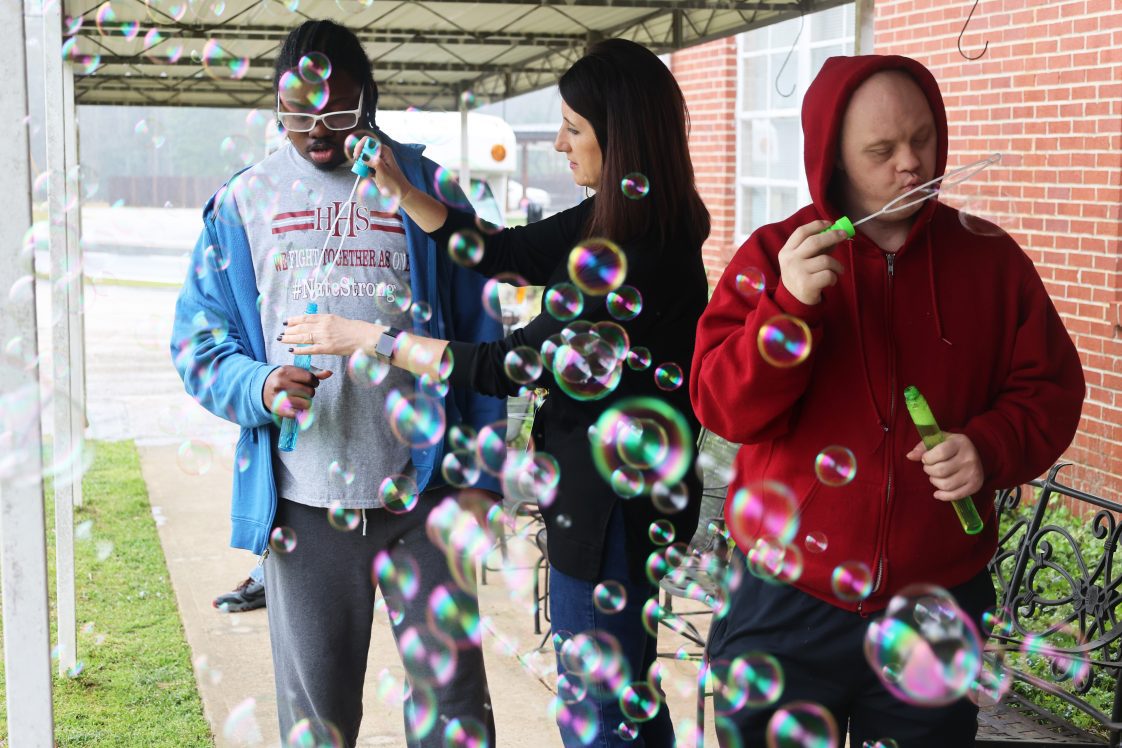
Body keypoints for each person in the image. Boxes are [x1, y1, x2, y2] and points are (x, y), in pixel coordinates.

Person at [280, 38, 711, 747]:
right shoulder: (623, 216)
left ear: (621, 135)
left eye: (574, 128)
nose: (560, 141)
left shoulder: (630, 256)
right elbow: (502, 253)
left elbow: (503, 365)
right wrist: (403, 190)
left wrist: (371, 339)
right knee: (624, 691)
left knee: (600, 707)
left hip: (608, 511)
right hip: (609, 499)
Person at [689, 55, 1085, 746]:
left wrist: (989, 448)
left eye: (923, 138)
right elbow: (722, 407)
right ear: (832, 159)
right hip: (788, 600)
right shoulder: (775, 253)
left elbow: (1050, 390)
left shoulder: (990, 261)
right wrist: (787, 308)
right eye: (881, 150)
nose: (911, 163)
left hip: (934, 610)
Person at [170, 19, 505, 748]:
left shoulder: (426, 188)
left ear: (371, 101)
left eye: (339, 111)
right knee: (318, 723)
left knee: (456, 717)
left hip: (427, 493)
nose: (318, 129)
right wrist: (258, 384)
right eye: (298, 113)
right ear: (277, 106)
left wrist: (482, 477)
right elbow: (197, 342)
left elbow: (483, 338)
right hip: (305, 502)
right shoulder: (241, 202)